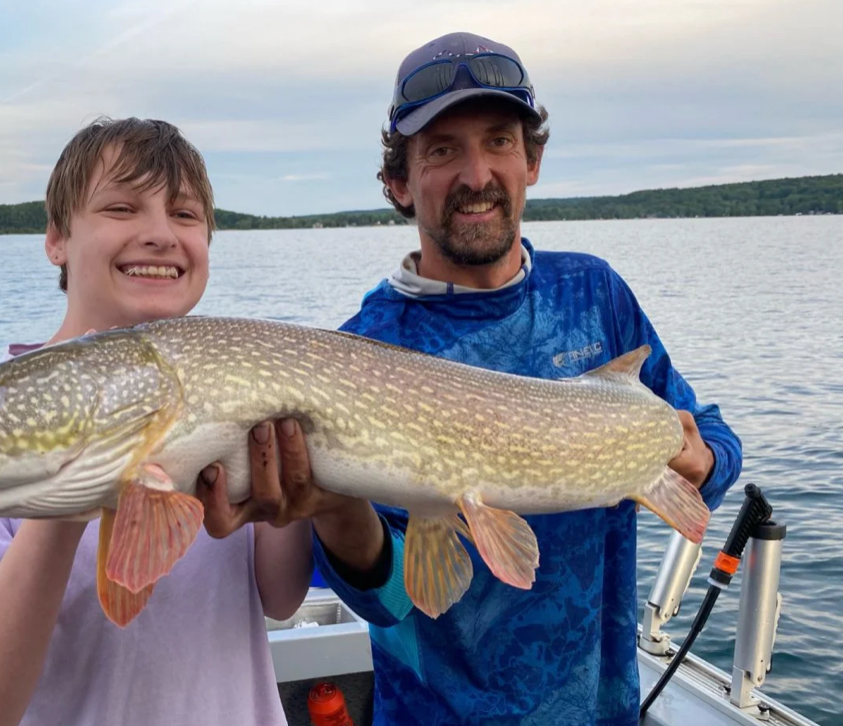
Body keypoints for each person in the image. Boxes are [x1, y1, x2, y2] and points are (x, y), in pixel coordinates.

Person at [201, 31, 744, 726]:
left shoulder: (595, 295)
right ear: (400, 182)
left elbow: (714, 443)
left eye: (498, 141)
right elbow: (392, 599)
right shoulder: (360, 352)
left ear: (532, 161)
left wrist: (698, 464)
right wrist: (336, 509)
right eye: (443, 150)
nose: (477, 173)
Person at [0, 117, 314, 726]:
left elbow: (280, 598)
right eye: (121, 208)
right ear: (56, 239)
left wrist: (298, 500)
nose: (158, 235)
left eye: (185, 214)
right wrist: (68, 493)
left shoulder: (235, 384)